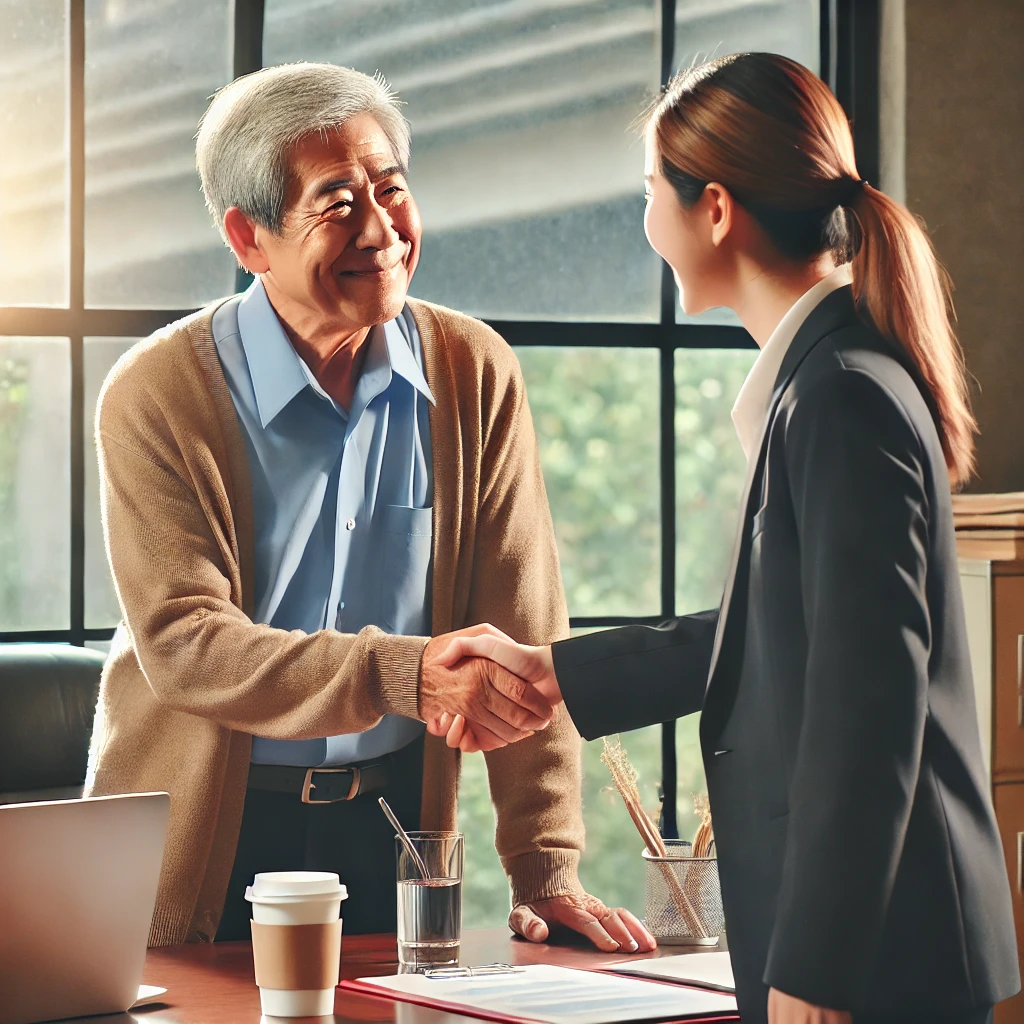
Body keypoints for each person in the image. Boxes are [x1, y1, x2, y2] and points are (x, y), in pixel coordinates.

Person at [438, 53, 1020, 1024]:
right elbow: (789, 633)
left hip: (874, 962)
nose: (643, 223)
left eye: (647, 193)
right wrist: (552, 672)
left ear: (713, 210)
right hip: (883, 947)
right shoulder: (832, 380)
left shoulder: (839, 397)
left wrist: (815, 967)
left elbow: (865, 710)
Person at [85, 62, 653, 955]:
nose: (383, 231)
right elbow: (186, 643)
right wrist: (406, 674)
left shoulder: (473, 371)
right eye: (338, 202)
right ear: (248, 237)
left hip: (390, 825)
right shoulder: (157, 392)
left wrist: (546, 868)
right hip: (203, 833)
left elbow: (521, 625)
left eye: (392, 189)